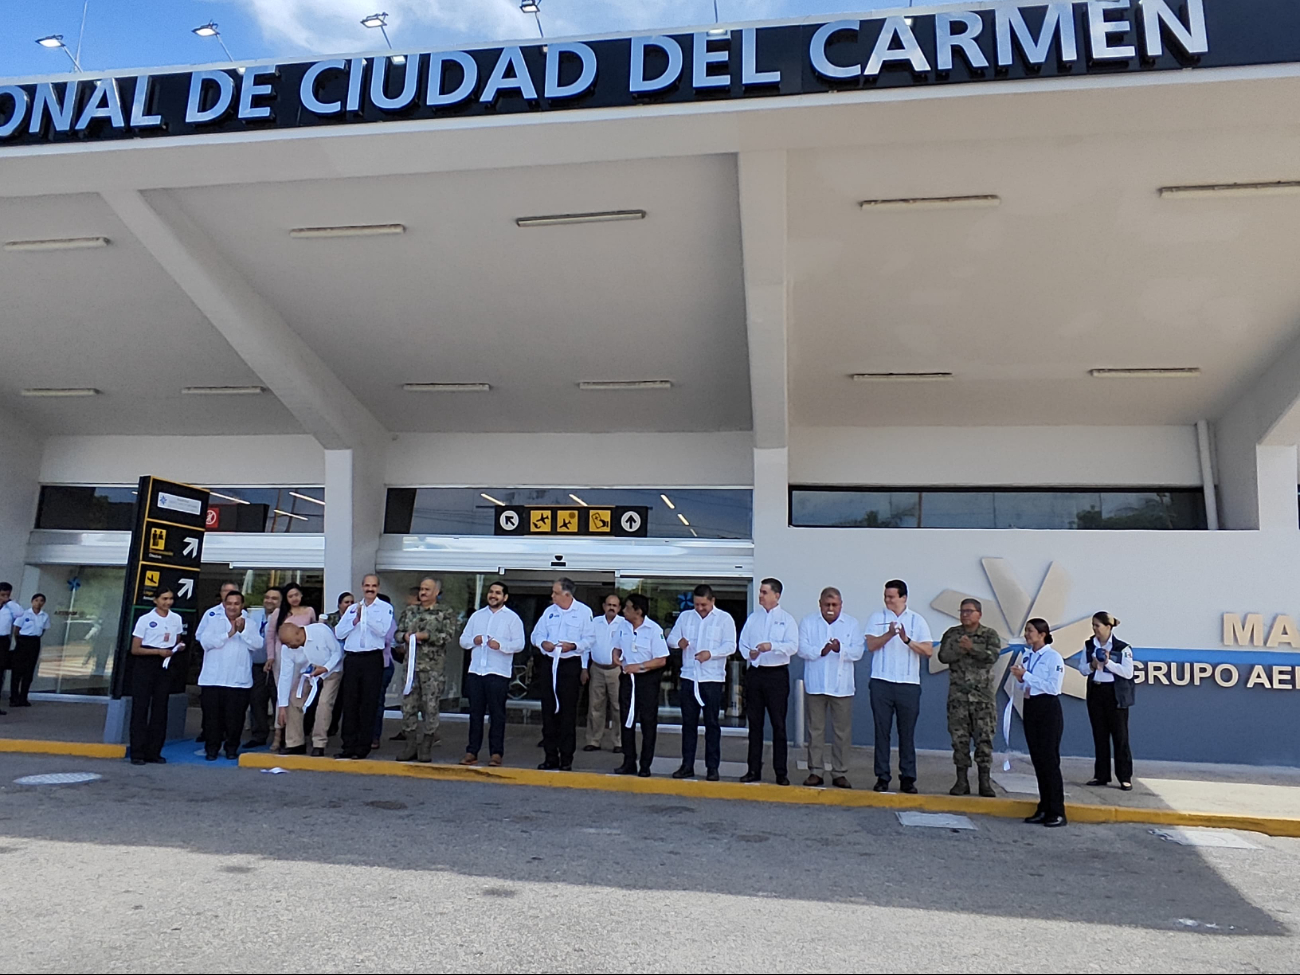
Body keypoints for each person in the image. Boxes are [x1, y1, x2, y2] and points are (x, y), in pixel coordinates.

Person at [865, 579, 934, 794]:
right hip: (881, 682)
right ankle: (882, 776)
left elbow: (928, 650)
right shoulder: (877, 617)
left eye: (891, 597)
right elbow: (870, 645)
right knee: (881, 731)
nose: (887, 600)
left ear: (903, 598)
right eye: (885, 596)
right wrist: (889, 634)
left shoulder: (917, 620)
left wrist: (906, 639)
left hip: (908, 684)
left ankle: (908, 778)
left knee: (907, 733)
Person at [668, 584, 737, 782]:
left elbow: (731, 645)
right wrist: (677, 643)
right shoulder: (686, 617)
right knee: (688, 724)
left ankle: (712, 767)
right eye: (697, 604)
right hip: (689, 676)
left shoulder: (724, 619)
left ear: (712, 601)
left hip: (712, 679)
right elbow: (671, 638)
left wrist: (711, 654)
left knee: (712, 724)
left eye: (704, 605)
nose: (700, 608)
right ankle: (687, 765)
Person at [798, 587, 862, 788]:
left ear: (841, 605)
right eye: (827, 605)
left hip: (841, 686)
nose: (831, 609)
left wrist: (840, 649)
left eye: (835, 605)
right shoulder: (809, 622)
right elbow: (802, 648)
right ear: (820, 604)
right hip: (816, 685)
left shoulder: (851, 624)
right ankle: (815, 771)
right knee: (815, 730)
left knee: (841, 732)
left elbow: (858, 651)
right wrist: (822, 650)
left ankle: (839, 772)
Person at [937, 598, 1001, 797]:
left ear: (979, 614)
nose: (965, 614)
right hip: (958, 698)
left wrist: (972, 647)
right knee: (959, 740)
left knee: (984, 740)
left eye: (969, 611)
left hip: (983, 699)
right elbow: (943, 656)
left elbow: (992, 656)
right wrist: (960, 648)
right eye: (962, 611)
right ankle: (961, 781)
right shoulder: (952, 634)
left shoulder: (989, 634)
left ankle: (985, 782)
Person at [531, 578, 596, 771]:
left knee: (568, 713)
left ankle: (566, 758)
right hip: (550, 664)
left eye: (556, 592)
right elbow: (536, 635)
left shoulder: (584, 612)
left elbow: (590, 639)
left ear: (567, 594)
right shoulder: (549, 612)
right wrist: (543, 643)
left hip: (570, 664)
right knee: (549, 711)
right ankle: (550, 756)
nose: (552, 596)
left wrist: (574, 646)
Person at [738, 577, 798, 786]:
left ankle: (780, 771)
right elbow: (742, 643)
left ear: (776, 595)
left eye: (764, 592)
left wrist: (771, 646)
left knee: (778, 724)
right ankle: (753, 769)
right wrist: (750, 653)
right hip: (756, 674)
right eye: (760, 592)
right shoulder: (753, 618)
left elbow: (793, 646)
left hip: (776, 675)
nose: (760, 596)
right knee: (755, 724)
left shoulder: (787, 620)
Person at [458, 581, 524, 767]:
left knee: (497, 715)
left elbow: (520, 644)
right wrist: (474, 640)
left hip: (498, 672)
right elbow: (463, 640)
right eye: (491, 592)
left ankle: (496, 753)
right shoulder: (477, 616)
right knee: (475, 714)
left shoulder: (512, 619)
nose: (493, 595)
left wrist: (501, 646)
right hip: (476, 671)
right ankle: (472, 751)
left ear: (505, 597)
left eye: (498, 593)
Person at [393, 577, 459, 763]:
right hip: (411, 669)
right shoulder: (410, 611)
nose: (423, 593)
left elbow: (448, 635)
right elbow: (397, 633)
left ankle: (426, 745)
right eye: (421, 589)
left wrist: (428, 636)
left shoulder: (445, 612)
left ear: (436, 592)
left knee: (430, 707)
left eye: (427, 589)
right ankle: (411, 745)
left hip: (432, 670)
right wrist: (404, 636)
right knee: (408, 707)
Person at [1012, 618, 1067, 827]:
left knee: (1049, 760)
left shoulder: (1053, 658)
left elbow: (1053, 688)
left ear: (1042, 634)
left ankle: (1057, 810)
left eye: (1030, 631)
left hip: (1048, 709)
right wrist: (1021, 679)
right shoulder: (1028, 656)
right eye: (1026, 630)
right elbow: (1024, 686)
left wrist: (1027, 675)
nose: (1027, 634)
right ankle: (1044, 806)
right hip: (1031, 707)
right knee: (1038, 760)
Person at [333, 574, 395, 760]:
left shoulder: (385, 608)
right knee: (350, 702)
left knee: (369, 703)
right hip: (353, 659)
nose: (370, 589)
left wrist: (365, 618)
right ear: (362, 587)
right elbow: (338, 632)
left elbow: (383, 631)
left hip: (372, 659)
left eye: (373, 586)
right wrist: (355, 620)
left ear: (378, 587)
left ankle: (363, 746)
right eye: (367, 585)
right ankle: (348, 745)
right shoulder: (352, 608)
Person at [196, 590, 263, 761]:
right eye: (229, 603)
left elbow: (257, 644)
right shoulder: (214, 621)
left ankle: (231, 748)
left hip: (238, 681)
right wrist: (230, 633)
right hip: (213, 680)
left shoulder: (250, 623)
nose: (233, 607)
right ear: (224, 605)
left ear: (242, 606)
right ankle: (211, 749)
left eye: (236, 603)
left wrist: (242, 631)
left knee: (235, 719)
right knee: (212, 719)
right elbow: (206, 642)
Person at [614, 593, 668, 778]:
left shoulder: (654, 630)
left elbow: (661, 660)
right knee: (626, 720)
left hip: (647, 680)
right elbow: (617, 646)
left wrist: (640, 667)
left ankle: (645, 764)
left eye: (627, 607)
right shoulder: (622, 626)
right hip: (628, 679)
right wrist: (616, 657)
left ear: (638, 610)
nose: (623, 610)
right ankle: (628, 761)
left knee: (647, 722)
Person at [129, 588, 185, 765]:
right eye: (164, 598)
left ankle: (154, 751)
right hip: (147, 662)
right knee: (141, 707)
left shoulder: (176, 618)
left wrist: (176, 648)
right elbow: (135, 648)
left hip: (165, 663)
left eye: (170, 599)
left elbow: (176, 640)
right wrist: (157, 651)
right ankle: (137, 751)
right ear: (155, 600)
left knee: (160, 708)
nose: (167, 602)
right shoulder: (146, 619)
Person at [1080, 611, 1134, 791]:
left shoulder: (1122, 647)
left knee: (1120, 736)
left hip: (1114, 694)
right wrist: (1092, 666)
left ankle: (1124, 776)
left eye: (1098, 625)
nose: (1095, 629)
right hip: (1096, 691)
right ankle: (1101, 774)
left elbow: (1128, 673)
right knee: (1099, 735)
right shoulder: (1089, 645)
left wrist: (1108, 663)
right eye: (1093, 626)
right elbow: (1082, 669)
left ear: (1108, 627)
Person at [277, 620, 343, 757]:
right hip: (308, 674)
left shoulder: (321, 630)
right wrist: (282, 705)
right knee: (293, 700)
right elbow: (285, 675)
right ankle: (295, 743)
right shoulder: (287, 649)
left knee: (324, 703)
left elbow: (337, 653)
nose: (289, 646)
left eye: (290, 643)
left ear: (298, 633)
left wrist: (325, 668)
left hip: (331, 670)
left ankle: (319, 743)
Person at [585, 593, 629, 753]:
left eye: (615, 605)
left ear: (619, 608)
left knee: (618, 707)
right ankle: (593, 740)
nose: (611, 608)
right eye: (609, 604)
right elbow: (587, 645)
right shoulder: (594, 622)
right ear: (604, 606)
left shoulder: (625, 624)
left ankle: (618, 742)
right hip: (596, 668)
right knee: (595, 706)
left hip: (616, 670)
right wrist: (584, 667)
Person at [242, 588, 281, 750]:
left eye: (274, 598)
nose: (269, 601)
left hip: (277, 665)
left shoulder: (284, 617)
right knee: (257, 701)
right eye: (267, 597)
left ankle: (281, 736)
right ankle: (258, 735)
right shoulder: (253, 615)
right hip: (257, 664)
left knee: (278, 700)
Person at [10, 593, 50, 707]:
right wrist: (19, 642)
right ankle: (14, 697)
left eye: (41, 600)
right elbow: (16, 630)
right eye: (36, 600)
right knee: (17, 670)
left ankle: (23, 697)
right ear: (32, 601)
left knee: (29, 671)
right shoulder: (24, 614)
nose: (38, 603)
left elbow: (43, 630)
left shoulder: (44, 616)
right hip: (23, 641)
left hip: (34, 641)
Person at [370, 593, 399, 751]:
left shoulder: (390, 622)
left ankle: (375, 736)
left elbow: (385, 639)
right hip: (367, 665)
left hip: (383, 665)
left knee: (377, 701)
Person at [0, 582, 27, 714]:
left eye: (7, 594)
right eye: (2, 594)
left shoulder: (10, 607)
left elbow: (20, 613)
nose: (4, 597)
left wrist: (9, 602)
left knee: (0, 673)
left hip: (3, 640)